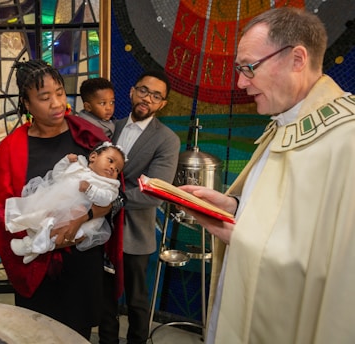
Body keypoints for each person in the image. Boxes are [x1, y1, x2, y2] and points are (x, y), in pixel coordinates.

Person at [178, 7, 355, 343]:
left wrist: (235, 235)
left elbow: (338, 274)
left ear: (297, 59)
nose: (241, 82)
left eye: (249, 68)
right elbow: (285, 217)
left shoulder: (347, 139)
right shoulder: (284, 122)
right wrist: (233, 206)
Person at [0, 59, 124, 340]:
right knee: (36, 334)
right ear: (26, 103)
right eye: (44, 97)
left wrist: (81, 220)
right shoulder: (12, 148)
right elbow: (1, 207)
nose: (56, 103)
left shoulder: (89, 139)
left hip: (81, 259)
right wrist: (44, 234)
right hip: (37, 263)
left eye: (60, 93)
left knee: (78, 334)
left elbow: (117, 196)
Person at [99, 70, 181, 344]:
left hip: (135, 232)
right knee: (105, 297)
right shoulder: (110, 127)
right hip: (100, 229)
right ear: (132, 92)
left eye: (156, 95)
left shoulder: (167, 139)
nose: (148, 98)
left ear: (162, 104)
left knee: (136, 299)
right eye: (144, 90)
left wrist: (108, 200)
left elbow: (154, 192)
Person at [6, 143, 126, 263]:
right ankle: (35, 247)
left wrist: (90, 190)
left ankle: (31, 246)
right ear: (93, 157)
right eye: (110, 161)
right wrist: (65, 162)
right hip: (61, 203)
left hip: (85, 215)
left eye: (117, 169)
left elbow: (106, 200)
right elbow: (57, 176)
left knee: (71, 234)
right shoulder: (78, 166)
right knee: (44, 219)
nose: (112, 168)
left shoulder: (110, 186)